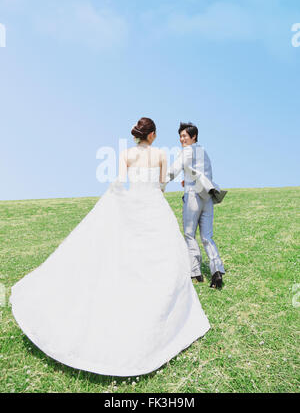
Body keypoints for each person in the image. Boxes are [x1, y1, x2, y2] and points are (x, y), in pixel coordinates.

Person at [10, 117, 210, 377]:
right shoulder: (161, 155)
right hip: (152, 205)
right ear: (151, 135)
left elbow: (120, 183)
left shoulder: (125, 154)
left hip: (132, 202)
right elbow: (162, 185)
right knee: (164, 256)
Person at [163, 122, 225, 289]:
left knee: (190, 234)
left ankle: (196, 273)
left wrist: (160, 182)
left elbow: (174, 169)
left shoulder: (188, 150)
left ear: (193, 136)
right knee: (207, 237)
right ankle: (217, 271)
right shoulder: (204, 152)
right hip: (208, 197)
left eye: (184, 136)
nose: (181, 139)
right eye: (180, 136)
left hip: (192, 197)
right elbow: (203, 175)